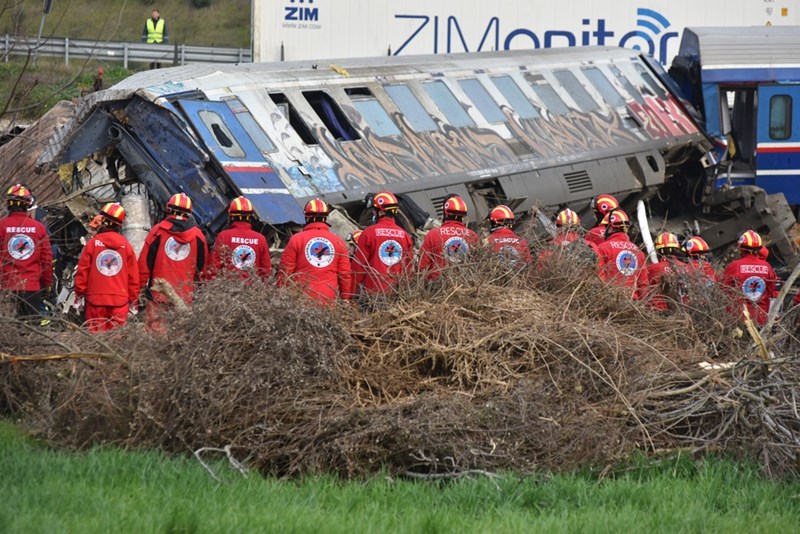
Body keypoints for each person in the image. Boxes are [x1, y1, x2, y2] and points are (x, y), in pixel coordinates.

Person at [138, 193, 208, 328]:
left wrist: (137, 291)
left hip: (158, 297)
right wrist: (199, 295)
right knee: (179, 336)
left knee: (155, 336)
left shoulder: (158, 231)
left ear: (168, 208)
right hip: (184, 299)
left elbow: (144, 265)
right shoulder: (198, 236)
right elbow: (203, 271)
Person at [74, 203, 139, 332]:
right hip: (119, 302)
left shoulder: (92, 244)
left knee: (96, 339)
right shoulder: (126, 246)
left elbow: (82, 273)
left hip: (95, 301)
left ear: (102, 220)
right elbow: (133, 278)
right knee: (116, 339)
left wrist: (78, 297)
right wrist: (133, 302)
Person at [276, 198, 351, 304]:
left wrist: (280, 293)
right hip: (327, 301)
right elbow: (344, 274)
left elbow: (285, 270)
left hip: (300, 300)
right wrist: (345, 298)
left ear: (306, 217)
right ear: (326, 217)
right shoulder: (338, 242)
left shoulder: (296, 239)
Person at [0, 184, 53, 318]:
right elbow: (47, 260)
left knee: (9, 325)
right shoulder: (39, 228)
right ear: (28, 204)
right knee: (31, 324)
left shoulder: (2, 226)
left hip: (7, 288)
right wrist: (47, 284)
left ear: (8, 204)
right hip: (32, 287)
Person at [352, 191, 413, 296]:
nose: (373, 213)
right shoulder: (405, 235)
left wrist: (350, 294)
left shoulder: (368, 233)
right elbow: (408, 269)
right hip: (397, 294)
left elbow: (358, 267)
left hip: (373, 295)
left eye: (374, 211)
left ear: (380, 212)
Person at [721, 230, 779, 326]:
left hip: (739, 319)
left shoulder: (735, 266)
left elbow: (723, 289)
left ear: (741, 249)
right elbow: (772, 292)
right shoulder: (767, 267)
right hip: (761, 319)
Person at [209, 196, 271, 282]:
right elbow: (266, 272)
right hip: (253, 288)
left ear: (231, 216)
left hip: (227, 288)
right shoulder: (261, 239)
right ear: (250, 217)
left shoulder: (223, 236)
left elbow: (213, 269)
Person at [418, 195, 479, 280]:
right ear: (464, 216)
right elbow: (478, 263)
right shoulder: (472, 236)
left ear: (445, 213)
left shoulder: (433, 234)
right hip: (466, 282)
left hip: (437, 284)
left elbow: (422, 265)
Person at [595, 210, 648, 299]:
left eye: (606, 227)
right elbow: (643, 285)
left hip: (609, 300)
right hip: (632, 303)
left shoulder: (602, 248)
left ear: (611, 228)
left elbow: (600, 278)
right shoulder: (639, 252)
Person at [645, 232, 686, 312]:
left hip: (659, 311)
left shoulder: (653, 268)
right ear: (676, 248)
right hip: (683, 310)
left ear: (658, 250)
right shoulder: (685, 267)